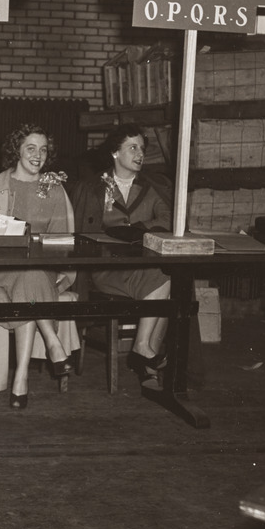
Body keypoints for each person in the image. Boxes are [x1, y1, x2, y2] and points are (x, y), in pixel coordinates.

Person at [0, 124, 75, 408]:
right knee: (29, 277)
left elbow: (62, 242)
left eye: (43, 150)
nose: (38, 155)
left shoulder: (54, 190)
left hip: (40, 271)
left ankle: (20, 377)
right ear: (16, 151)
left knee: (30, 276)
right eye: (31, 148)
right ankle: (51, 341)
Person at [71, 122, 173, 386]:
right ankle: (145, 356)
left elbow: (167, 218)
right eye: (132, 147)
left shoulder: (153, 186)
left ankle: (143, 350)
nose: (140, 153)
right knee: (162, 283)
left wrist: (135, 231)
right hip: (106, 268)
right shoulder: (92, 187)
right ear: (115, 153)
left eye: (142, 148)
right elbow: (79, 231)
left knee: (167, 277)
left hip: (143, 264)